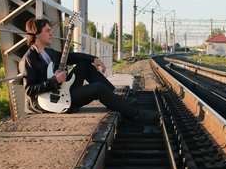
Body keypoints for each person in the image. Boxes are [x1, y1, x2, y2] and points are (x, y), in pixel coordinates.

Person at [19, 18, 158, 123]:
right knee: (97, 88)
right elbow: (30, 90)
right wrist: (54, 81)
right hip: (53, 103)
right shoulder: (28, 59)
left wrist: (93, 59)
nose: (51, 33)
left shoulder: (49, 52)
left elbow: (72, 56)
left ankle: (116, 100)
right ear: (36, 35)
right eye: (47, 31)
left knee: (84, 65)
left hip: (63, 91)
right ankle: (135, 114)